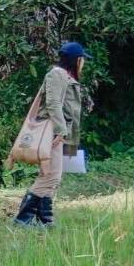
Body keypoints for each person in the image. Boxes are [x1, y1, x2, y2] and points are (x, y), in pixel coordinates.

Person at [13, 42, 89, 228]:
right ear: (77, 60)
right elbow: (54, 104)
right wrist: (62, 131)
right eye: (83, 59)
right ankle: (23, 219)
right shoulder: (56, 74)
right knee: (50, 176)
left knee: (53, 175)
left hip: (57, 133)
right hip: (52, 132)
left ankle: (45, 219)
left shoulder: (64, 76)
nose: (84, 63)